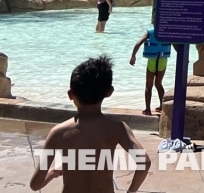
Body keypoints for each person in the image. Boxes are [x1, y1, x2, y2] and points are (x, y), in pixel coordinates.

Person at [30, 55, 150, 193]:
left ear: (71, 94)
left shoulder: (59, 132)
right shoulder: (118, 128)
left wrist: (52, 172)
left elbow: (35, 185)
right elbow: (144, 163)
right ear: (109, 92)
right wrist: (130, 191)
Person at [129, 25, 171, 115]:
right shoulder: (167, 32)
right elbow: (176, 46)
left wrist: (133, 56)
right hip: (162, 61)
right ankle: (162, 107)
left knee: (149, 86)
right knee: (158, 84)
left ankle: (148, 109)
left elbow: (138, 43)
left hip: (152, 61)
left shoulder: (150, 32)